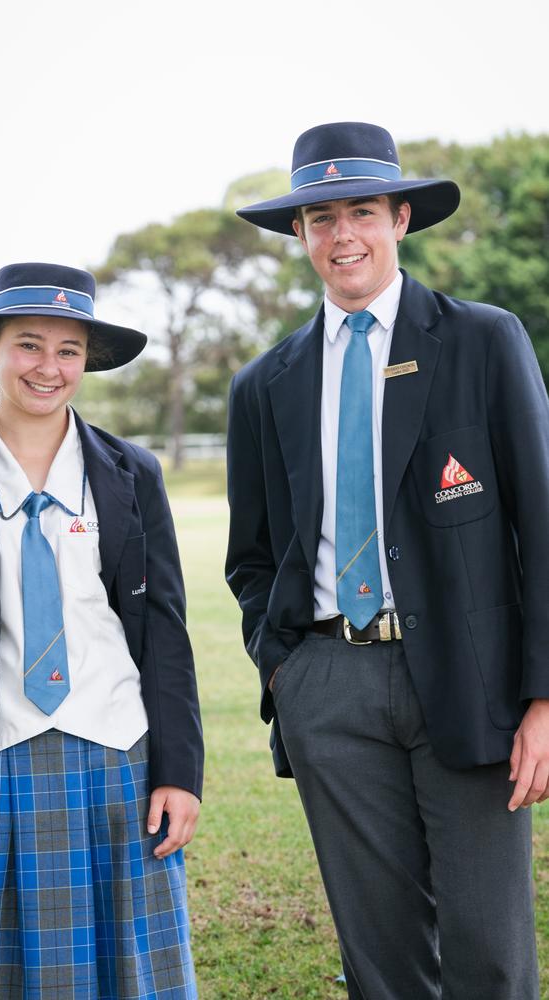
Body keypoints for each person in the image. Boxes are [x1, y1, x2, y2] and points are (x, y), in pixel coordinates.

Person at [225, 121, 548, 998]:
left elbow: (543, 524)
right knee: (381, 958)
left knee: (490, 951)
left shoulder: (484, 341)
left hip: (470, 679)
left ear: (400, 218)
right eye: (321, 219)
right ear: (299, 235)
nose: (343, 237)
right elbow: (252, 556)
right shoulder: (264, 385)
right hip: (328, 685)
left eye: (362, 211)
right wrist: (288, 671)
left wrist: (544, 696)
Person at [0, 261, 203, 999]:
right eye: (29, 345)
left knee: (128, 969)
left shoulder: (132, 473)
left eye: (68, 351)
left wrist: (178, 772)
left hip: (115, 753)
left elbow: (164, 633)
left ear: (87, 362)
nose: (48, 367)